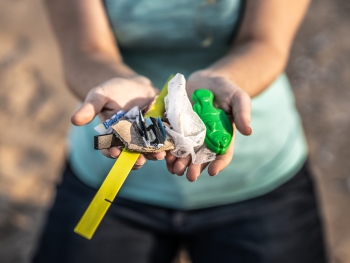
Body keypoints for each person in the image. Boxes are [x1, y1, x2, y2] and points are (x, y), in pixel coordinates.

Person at [33, 0, 327, 262]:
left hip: (261, 180)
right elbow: (83, 50)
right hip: (105, 179)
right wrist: (115, 83)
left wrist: (220, 79)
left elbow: (265, 42)